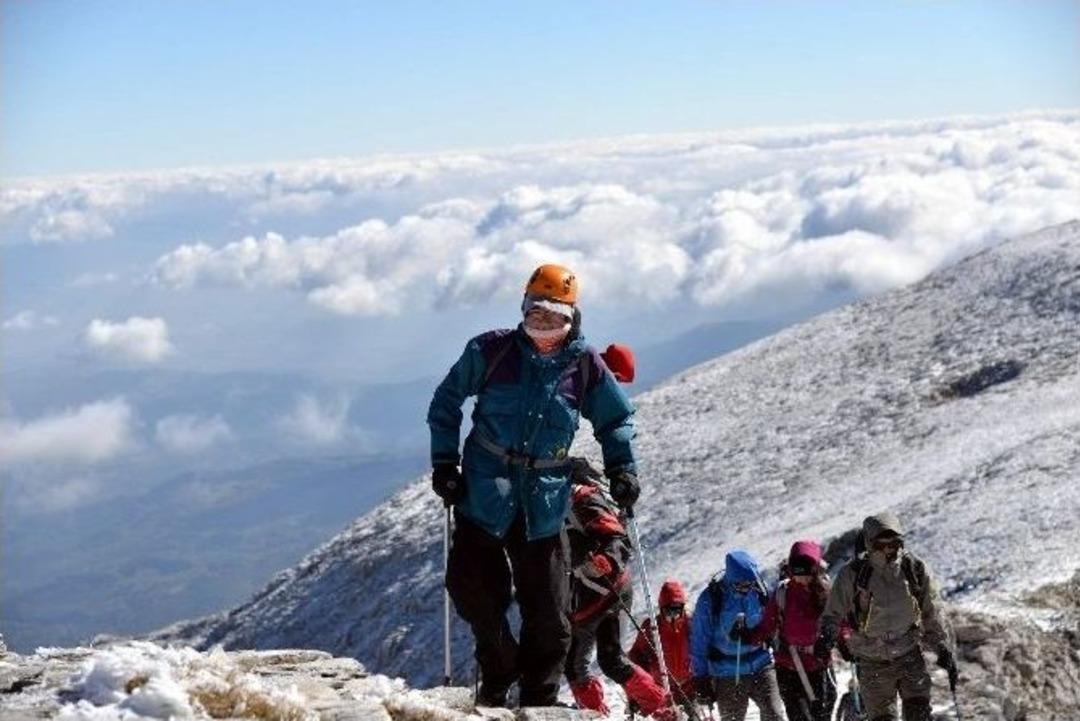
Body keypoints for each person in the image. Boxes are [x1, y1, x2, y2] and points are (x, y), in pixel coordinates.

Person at [427, 263, 639, 707]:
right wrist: (445, 461)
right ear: (523, 310)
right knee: (471, 588)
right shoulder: (490, 351)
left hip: (544, 505)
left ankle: (539, 700)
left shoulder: (585, 367)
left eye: (553, 317)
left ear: (571, 317)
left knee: (550, 615)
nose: (542, 325)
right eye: (534, 313)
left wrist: (623, 470)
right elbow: (447, 401)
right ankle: (501, 666)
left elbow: (615, 419)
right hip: (484, 493)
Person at [814, 512, 957, 721]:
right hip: (872, 659)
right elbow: (833, 612)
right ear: (870, 543)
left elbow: (931, 611)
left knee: (919, 713)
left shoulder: (914, 569)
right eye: (882, 544)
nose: (889, 548)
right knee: (882, 717)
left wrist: (941, 647)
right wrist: (827, 635)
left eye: (895, 542)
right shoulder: (853, 574)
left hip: (909, 652)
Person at [563, 459, 673, 720]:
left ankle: (663, 710)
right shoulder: (554, 506)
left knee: (609, 659)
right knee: (578, 666)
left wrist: (607, 561)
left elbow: (616, 538)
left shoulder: (583, 500)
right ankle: (596, 716)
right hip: (585, 596)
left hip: (611, 590)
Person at [738, 540, 838, 721]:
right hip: (788, 665)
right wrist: (749, 636)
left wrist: (835, 637)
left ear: (816, 569)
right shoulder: (782, 593)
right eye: (797, 572)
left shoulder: (826, 593)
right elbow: (767, 626)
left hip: (818, 666)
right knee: (798, 716)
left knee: (822, 714)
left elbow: (840, 621)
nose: (802, 578)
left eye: (807, 571)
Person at [690, 550, 786, 721]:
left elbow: (773, 622)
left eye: (751, 583)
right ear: (731, 580)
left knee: (775, 716)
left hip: (761, 664)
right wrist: (701, 677)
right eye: (742, 585)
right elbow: (699, 640)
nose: (747, 589)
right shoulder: (710, 599)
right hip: (727, 672)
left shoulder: (760, 591)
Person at [629, 579, 694, 711]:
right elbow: (636, 658)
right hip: (661, 688)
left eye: (677, 609)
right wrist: (638, 692)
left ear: (683, 607)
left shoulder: (691, 624)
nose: (673, 614)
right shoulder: (651, 626)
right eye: (668, 610)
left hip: (689, 686)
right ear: (661, 608)